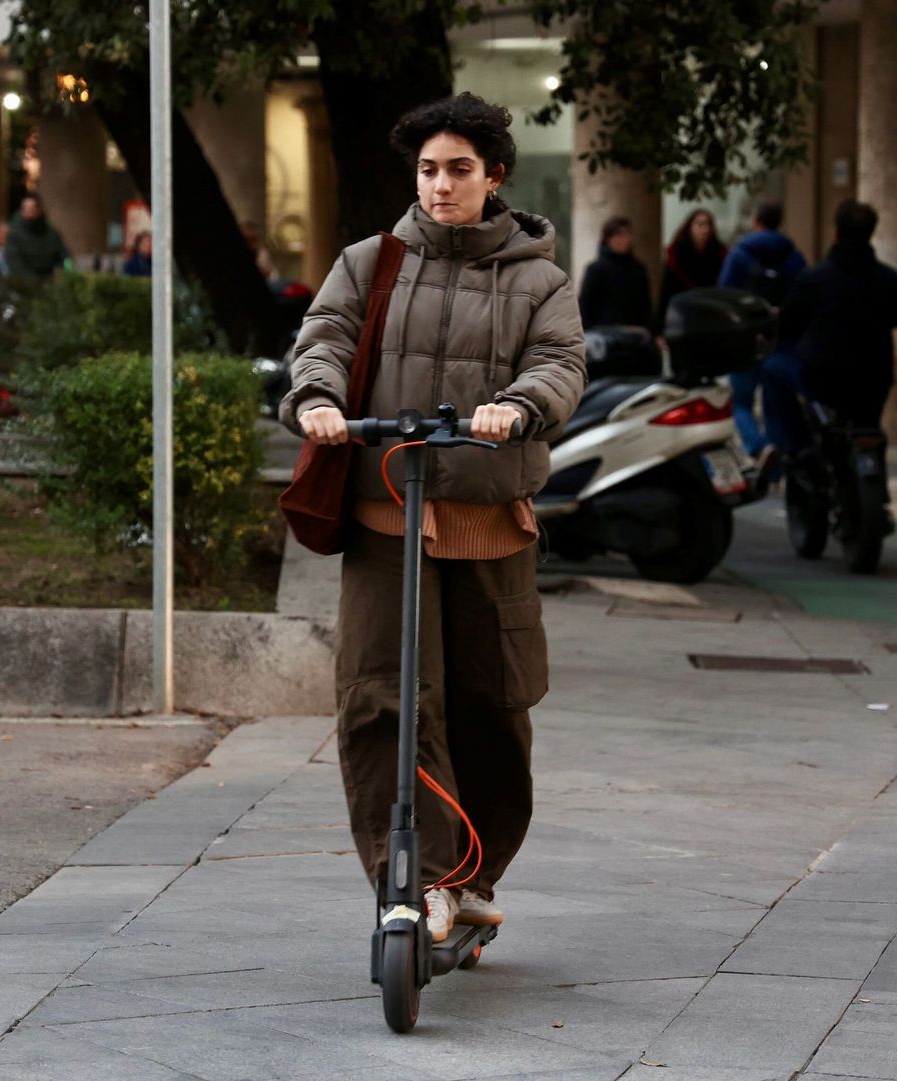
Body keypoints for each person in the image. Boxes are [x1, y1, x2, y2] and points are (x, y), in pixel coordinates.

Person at [280, 92, 585, 945]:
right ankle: (418, 879)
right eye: (427, 170)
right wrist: (317, 398)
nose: (441, 185)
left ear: (493, 176)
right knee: (387, 700)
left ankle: (478, 872)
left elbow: (561, 363)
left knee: (493, 706)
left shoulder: (540, 278)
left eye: (458, 169)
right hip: (388, 516)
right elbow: (326, 338)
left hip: (489, 520)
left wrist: (517, 407)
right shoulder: (371, 260)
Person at [761, 200, 897, 460]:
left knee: (773, 370)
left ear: (837, 232)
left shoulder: (815, 278)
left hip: (824, 376)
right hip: (875, 375)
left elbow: (789, 320)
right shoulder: (888, 279)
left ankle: (794, 448)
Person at [718, 199, 807, 456]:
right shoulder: (794, 257)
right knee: (775, 404)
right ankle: (776, 463)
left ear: (756, 221)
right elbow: (803, 297)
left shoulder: (740, 254)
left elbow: (724, 293)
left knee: (740, 403)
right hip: (781, 341)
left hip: (745, 340)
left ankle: (758, 446)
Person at [657, 208, 727, 331]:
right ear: (690, 227)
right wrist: (659, 328)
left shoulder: (719, 255)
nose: (705, 230)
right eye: (700, 224)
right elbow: (666, 292)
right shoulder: (676, 255)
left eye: (708, 225)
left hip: (712, 317)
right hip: (683, 316)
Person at [577, 215, 652, 329]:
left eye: (628, 234)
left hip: (635, 335)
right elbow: (585, 306)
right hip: (602, 335)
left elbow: (646, 306)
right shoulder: (595, 270)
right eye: (619, 235)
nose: (625, 239)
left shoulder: (638, 269)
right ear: (608, 239)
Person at [4, 194, 69, 279]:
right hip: (25, 283)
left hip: (49, 280)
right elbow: (15, 262)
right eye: (26, 208)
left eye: (32, 208)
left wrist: (68, 270)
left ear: (39, 209)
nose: (30, 211)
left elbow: (64, 255)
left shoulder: (51, 232)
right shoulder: (14, 233)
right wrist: (32, 281)